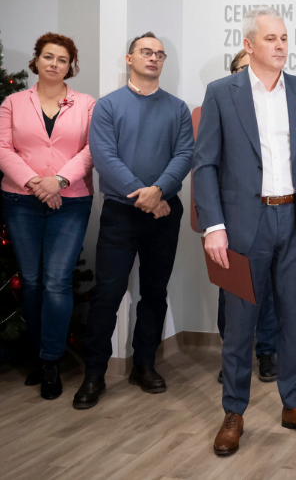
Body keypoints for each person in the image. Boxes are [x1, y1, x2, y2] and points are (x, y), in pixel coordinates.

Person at [193, 7, 296, 456]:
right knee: (240, 326)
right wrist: (213, 226)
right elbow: (205, 164)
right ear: (248, 45)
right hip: (241, 226)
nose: (280, 45)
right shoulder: (221, 93)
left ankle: (294, 405)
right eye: (270, 38)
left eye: (284, 38)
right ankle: (234, 412)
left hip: (294, 222)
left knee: (294, 320)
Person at [72, 32, 194, 409]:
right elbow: (104, 156)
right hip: (121, 213)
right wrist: (146, 196)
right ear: (130, 59)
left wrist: (159, 191)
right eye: (146, 52)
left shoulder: (178, 108)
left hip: (164, 212)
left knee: (154, 293)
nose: (153, 58)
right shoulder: (108, 106)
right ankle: (95, 373)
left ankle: (144, 365)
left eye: (160, 54)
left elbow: (184, 154)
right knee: (108, 293)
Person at [0, 33, 95, 400]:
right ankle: (39, 357)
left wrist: (58, 181)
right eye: (48, 56)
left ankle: (51, 360)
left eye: (62, 59)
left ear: (71, 66)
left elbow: (91, 149)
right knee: (32, 281)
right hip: (21, 200)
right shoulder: (13, 102)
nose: (55, 63)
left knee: (56, 281)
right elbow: (3, 149)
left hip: (71, 202)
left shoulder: (85, 104)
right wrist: (35, 183)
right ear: (36, 60)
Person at [215, 47, 277, 385]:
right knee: (232, 290)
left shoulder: (278, 108)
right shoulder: (222, 106)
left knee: (267, 289)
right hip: (233, 218)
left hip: (274, 213)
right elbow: (208, 166)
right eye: (242, 69)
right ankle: (233, 355)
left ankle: (267, 351)